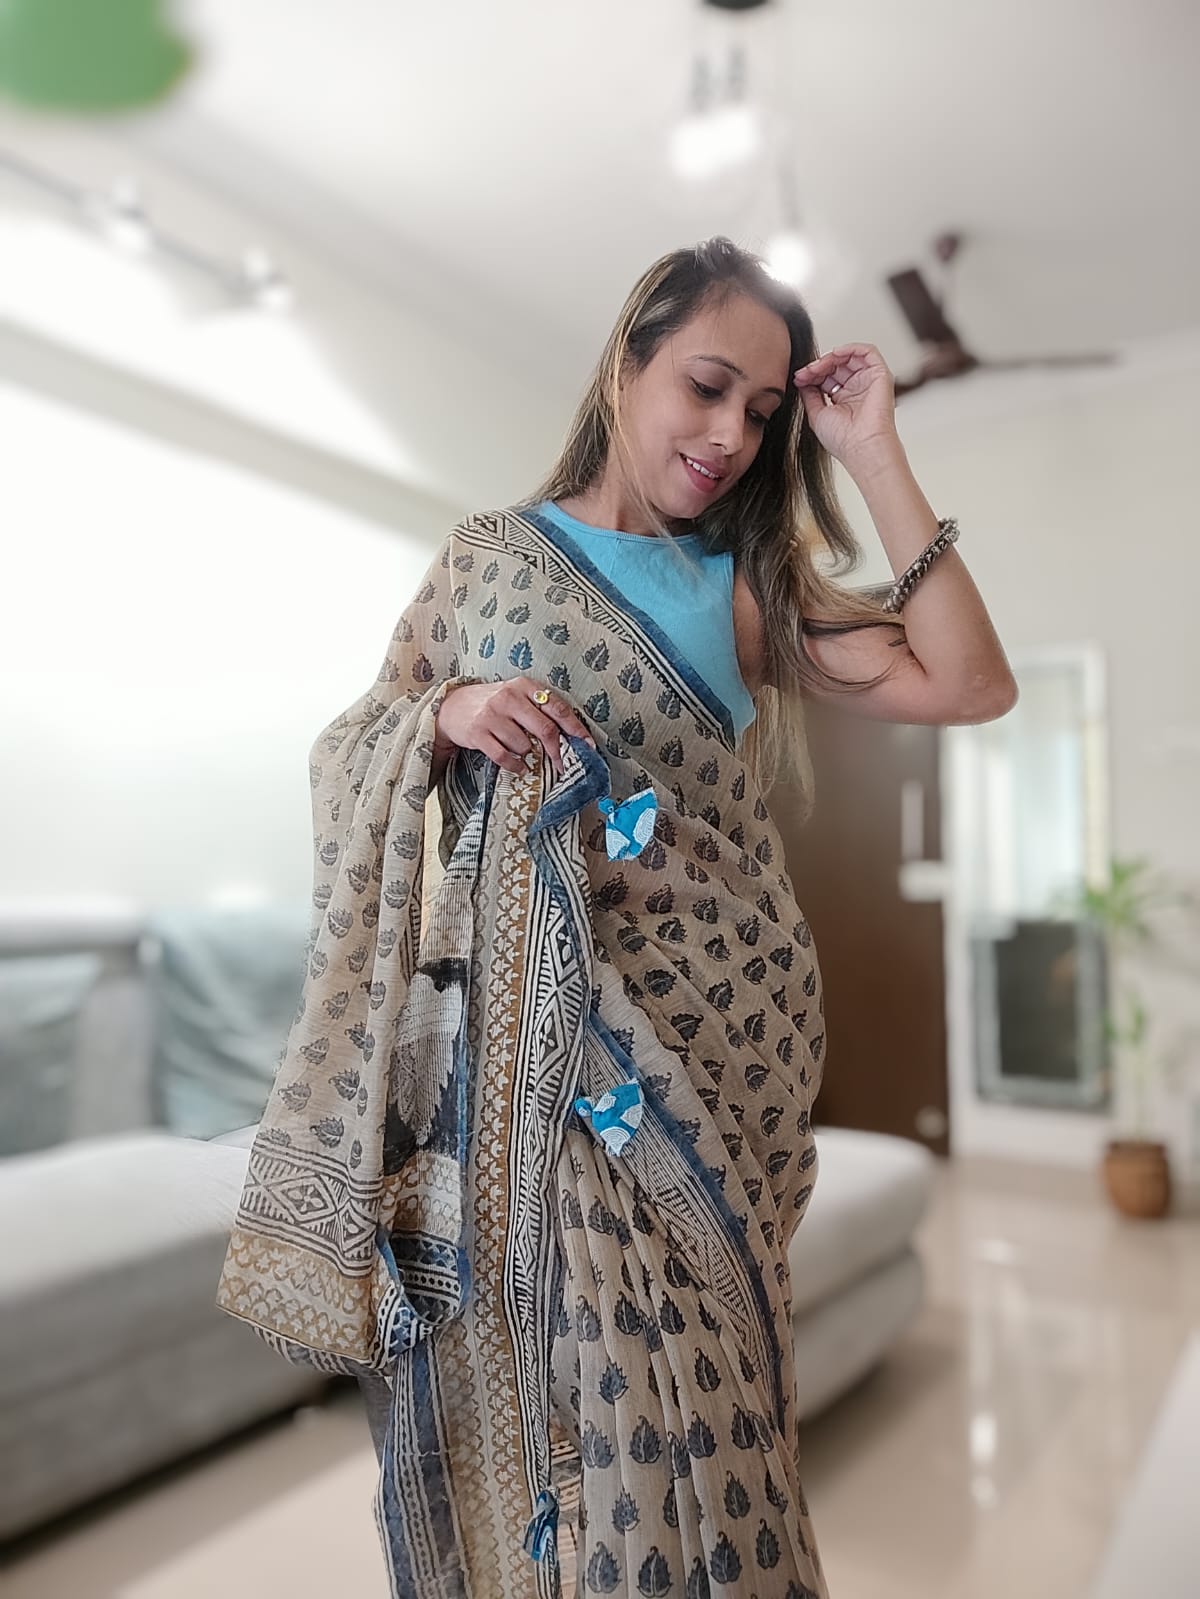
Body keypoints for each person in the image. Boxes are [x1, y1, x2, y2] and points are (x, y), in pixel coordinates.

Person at [216, 236, 1016, 1599]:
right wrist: (449, 712)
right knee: (585, 1436)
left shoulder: (744, 588)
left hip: (719, 1038)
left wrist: (872, 451)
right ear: (624, 366)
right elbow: (353, 744)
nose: (730, 437)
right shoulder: (486, 562)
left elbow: (970, 683)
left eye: (760, 413)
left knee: (723, 1418)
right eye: (705, 387)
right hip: (539, 1070)